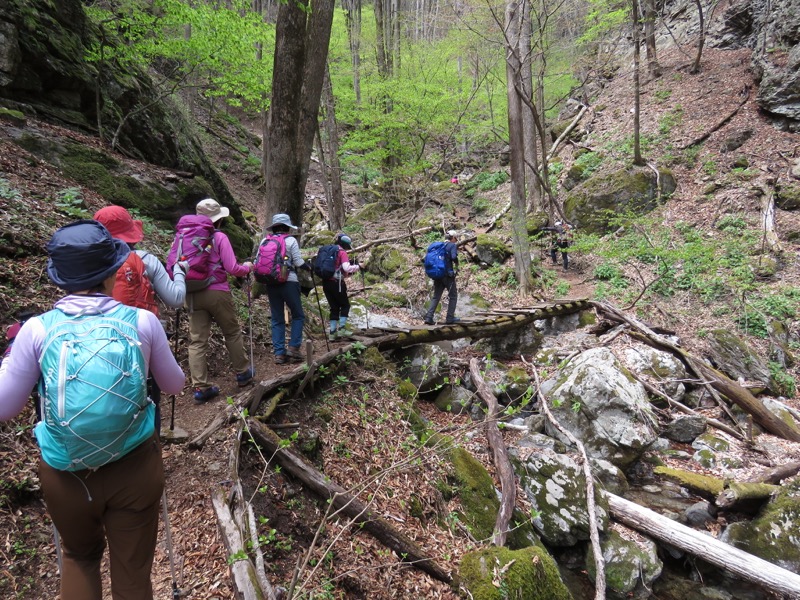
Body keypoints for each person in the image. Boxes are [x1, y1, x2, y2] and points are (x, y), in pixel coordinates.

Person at [0, 220, 185, 600]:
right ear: (113, 271)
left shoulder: (37, 331)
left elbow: (6, 406)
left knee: (79, 557)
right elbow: (174, 385)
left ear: (58, 278)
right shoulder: (143, 322)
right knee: (133, 572)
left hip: (66, 473)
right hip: (134, 465)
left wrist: (9, 360)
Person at [93, 205, 187, 429]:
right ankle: (149, 444)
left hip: (95, 341)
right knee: (147, 397)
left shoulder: (87, 263)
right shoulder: (145, 259)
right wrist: (181, 272)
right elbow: (175, 299)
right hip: (139, 337)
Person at [187, 198, 255, 403]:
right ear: (218, 220)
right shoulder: (219, 237)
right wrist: (248, 267)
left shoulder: (184, 237)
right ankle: (243, 374)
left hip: (191, 292)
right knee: (232, 332)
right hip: (217, 291)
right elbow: (233, 268)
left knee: (197, 340)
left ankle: (200, 387)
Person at [262, 213, 310, 364]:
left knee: (277, 318)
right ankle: (294, 348)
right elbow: (298, 262)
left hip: (271, 283)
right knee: (298, 315)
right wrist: (310, 267)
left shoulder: (265, 240)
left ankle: (279, 354)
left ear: (274, 227)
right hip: (289, 282)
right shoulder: (290, 241)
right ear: (287, 228)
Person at [322, 233, 361, 339]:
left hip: (325, 282)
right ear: (345, 245)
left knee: (334, 307)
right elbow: (346, 268)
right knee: (345, 305)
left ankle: (332, 333)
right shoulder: (341, 252)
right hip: (337, 283)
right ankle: (342, 329)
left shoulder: (329, 250)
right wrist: (358, 266)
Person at [423, 230, 460, 325]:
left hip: (438, 274)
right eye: (456, 238)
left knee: (436, 296)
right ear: (452, 238)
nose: (456, 240)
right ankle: (450, 318)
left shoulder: (439, 246)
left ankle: (429, 317)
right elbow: (453, 257)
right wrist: (456, 262)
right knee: (453, 296)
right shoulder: (452, 246)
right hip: (448, 276)